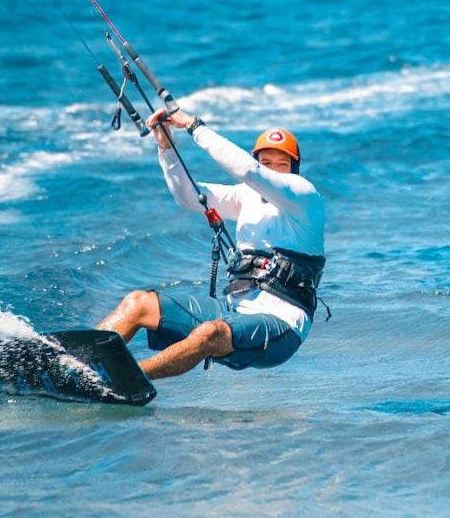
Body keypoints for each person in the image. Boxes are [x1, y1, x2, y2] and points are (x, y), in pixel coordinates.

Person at [96, 109, 326, 380]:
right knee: (137, 303)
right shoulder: (247, 197)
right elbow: (189, 196)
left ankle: (120, 379)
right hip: (234, 312)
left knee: (209, 333)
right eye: (265, 162)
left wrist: (194, 126)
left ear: (293, 170)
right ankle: (80, 362)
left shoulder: (305, 197)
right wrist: (166, 146)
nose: (271, 170)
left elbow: (249, 171)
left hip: (282, 326)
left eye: (281, 164)